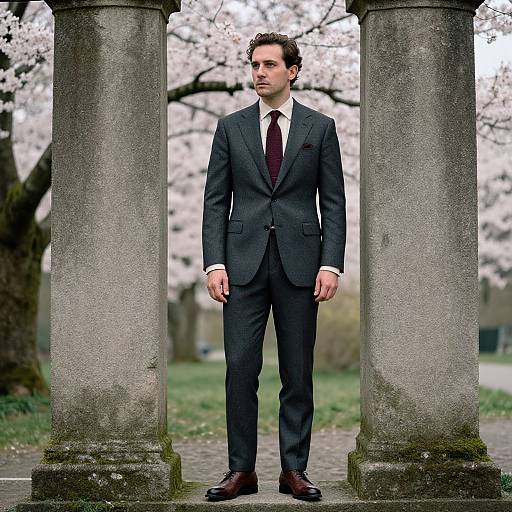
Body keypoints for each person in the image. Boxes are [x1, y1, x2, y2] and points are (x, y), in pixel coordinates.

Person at [201, 32, 346, 501]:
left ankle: (294, 470)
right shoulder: (231, 127)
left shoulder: (320, 128)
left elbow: (335, 204)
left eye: (268, 65)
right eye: (254, 65)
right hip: (240, 266)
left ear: (292, 71)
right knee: (240, 369)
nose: (259, 73)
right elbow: (215, 201)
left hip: (301, 266)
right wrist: (214, 262)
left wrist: (331, 265)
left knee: (297, 371)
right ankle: (240, 471)